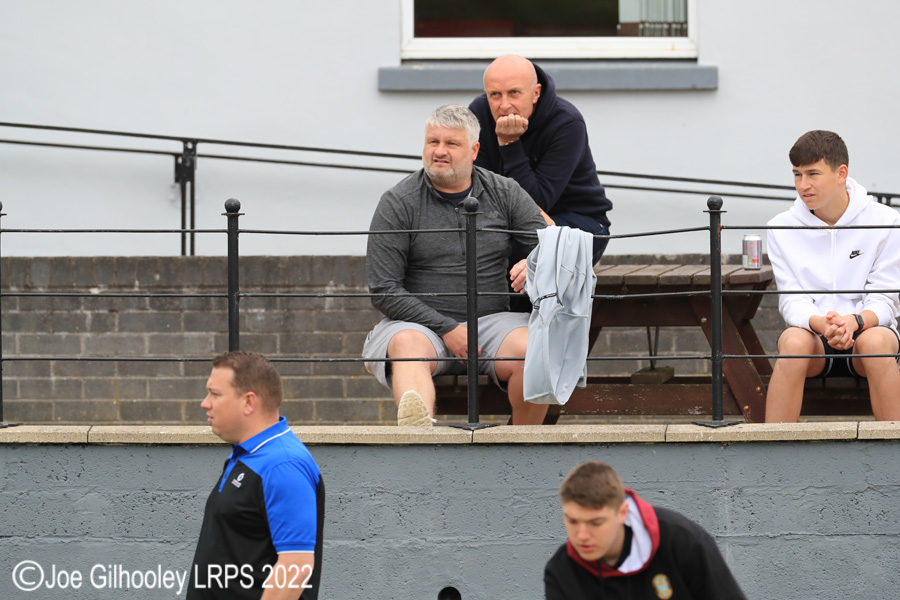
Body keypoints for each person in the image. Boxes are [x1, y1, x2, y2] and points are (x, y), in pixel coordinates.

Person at [363, 104, 549, 426]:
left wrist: (533, 263)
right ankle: (421, 451)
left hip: (493, 323)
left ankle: (525, 451)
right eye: (432, 142)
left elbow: (551, 250)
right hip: (421, 328)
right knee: (406, 346)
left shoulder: (505, 192)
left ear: (475, 150)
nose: (439, 151)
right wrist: (447, 328)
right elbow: (384, 289)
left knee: (537, 348)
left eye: (451, 144)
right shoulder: (398, 202)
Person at [765, 130, 900, 422]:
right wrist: (823, 325)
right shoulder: (780, 227)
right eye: (797, 175)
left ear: (841, 174)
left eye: (813, 174)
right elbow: (791, 301)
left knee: (876, 344)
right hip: (813, 336)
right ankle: (772, 455)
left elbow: (886, 299)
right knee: (792, 343)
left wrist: (854, 322)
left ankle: (894, 455)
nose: (803, 185)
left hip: (866, 333)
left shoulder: (886, 221)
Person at [187, 351, 323, 600]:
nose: (205, 403)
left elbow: (296, 566)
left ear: (249, 402)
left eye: (215, 394)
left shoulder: (283, 465)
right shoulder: (248, 456)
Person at [469, 54, 612, 264]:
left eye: (514, 93)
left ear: (535, 93)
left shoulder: (566, 122)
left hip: (580, 223)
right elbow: (476, 187)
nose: (504, 105)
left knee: (513, 248)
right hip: (509, 224)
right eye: (495, 95)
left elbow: (536, 202)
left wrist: (509, 144)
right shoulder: (478, 113)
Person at [544, 461, 746, 600]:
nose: (582, 535)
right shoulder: (561, 571)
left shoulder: (683, 541)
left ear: (622, 512)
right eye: (572, 521)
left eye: (596, 523)